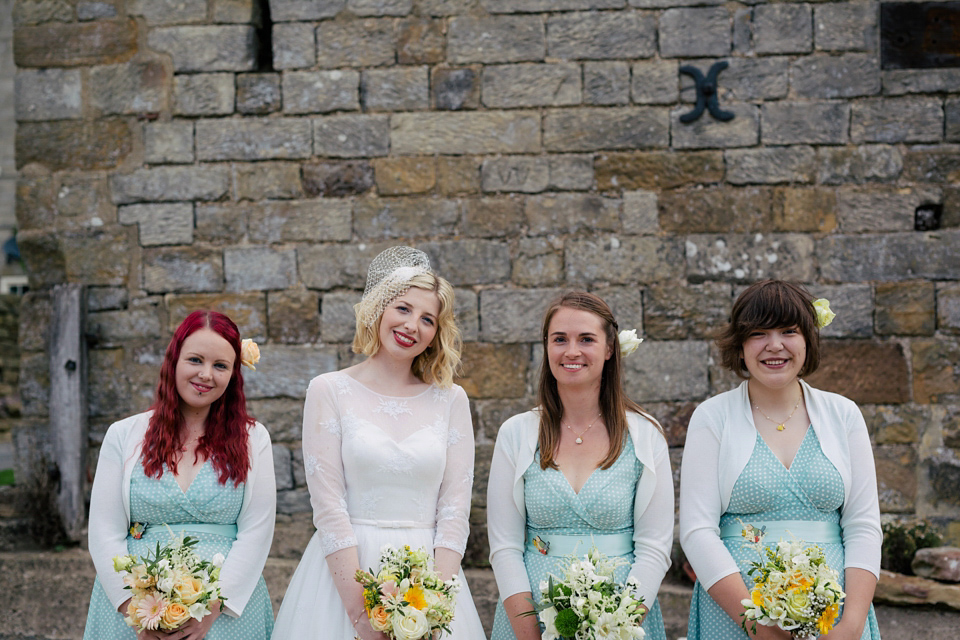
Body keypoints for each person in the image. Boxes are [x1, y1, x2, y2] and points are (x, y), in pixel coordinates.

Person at [272, 246, 485, 639]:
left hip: (427, 578)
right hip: (345, 576)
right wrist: (360, 615)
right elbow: (329, 507)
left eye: (427, 319)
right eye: (403, 309)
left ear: (437, 333)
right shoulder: (329, 390)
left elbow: (454, 512)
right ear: (379, 309)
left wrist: (434, 606)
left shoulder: (451, 399)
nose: (412, 326)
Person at [680, 279, 882, 640]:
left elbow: (863, 526)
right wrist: (755, 624)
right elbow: (697, 532)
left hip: (834, 617)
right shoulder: (713, 417)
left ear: (808, 339)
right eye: (758, 333)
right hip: (736, 617)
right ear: (740, 346)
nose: (775, 345)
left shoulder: (844, 414)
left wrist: (851, 624)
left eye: (789, 331)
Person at [487, 291, 674, 640]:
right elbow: (504, 547)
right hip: (530, 614)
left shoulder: (645, 435)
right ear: (547, 347)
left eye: (586, 339)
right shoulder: (516, 433)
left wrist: (616, 627)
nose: (571, 351)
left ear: (609, 349)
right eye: (560, 339)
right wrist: (530, 633)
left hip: (621, 619)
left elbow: (655, 548)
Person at [83, 310, 276, 640]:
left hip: (223, 612)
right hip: (136, 606)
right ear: (174, 360)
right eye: (195, 360)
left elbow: (257, 530)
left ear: (234, 375)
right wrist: (138, 610)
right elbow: (104, 530)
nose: (205, 375)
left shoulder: (253, 439)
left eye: (220, 366)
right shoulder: (123, 434)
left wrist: (212, 607)